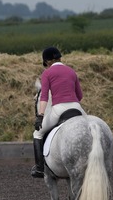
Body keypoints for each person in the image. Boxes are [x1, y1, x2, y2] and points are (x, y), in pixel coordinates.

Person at [31, 46, 87, 178]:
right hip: (77, 107)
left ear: (48, 61)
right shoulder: (71, 71)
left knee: (37, 134)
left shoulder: (47, 73)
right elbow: (80, 96)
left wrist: (40, 116)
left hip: (59, 108)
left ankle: (39, 168)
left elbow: (44, 96)